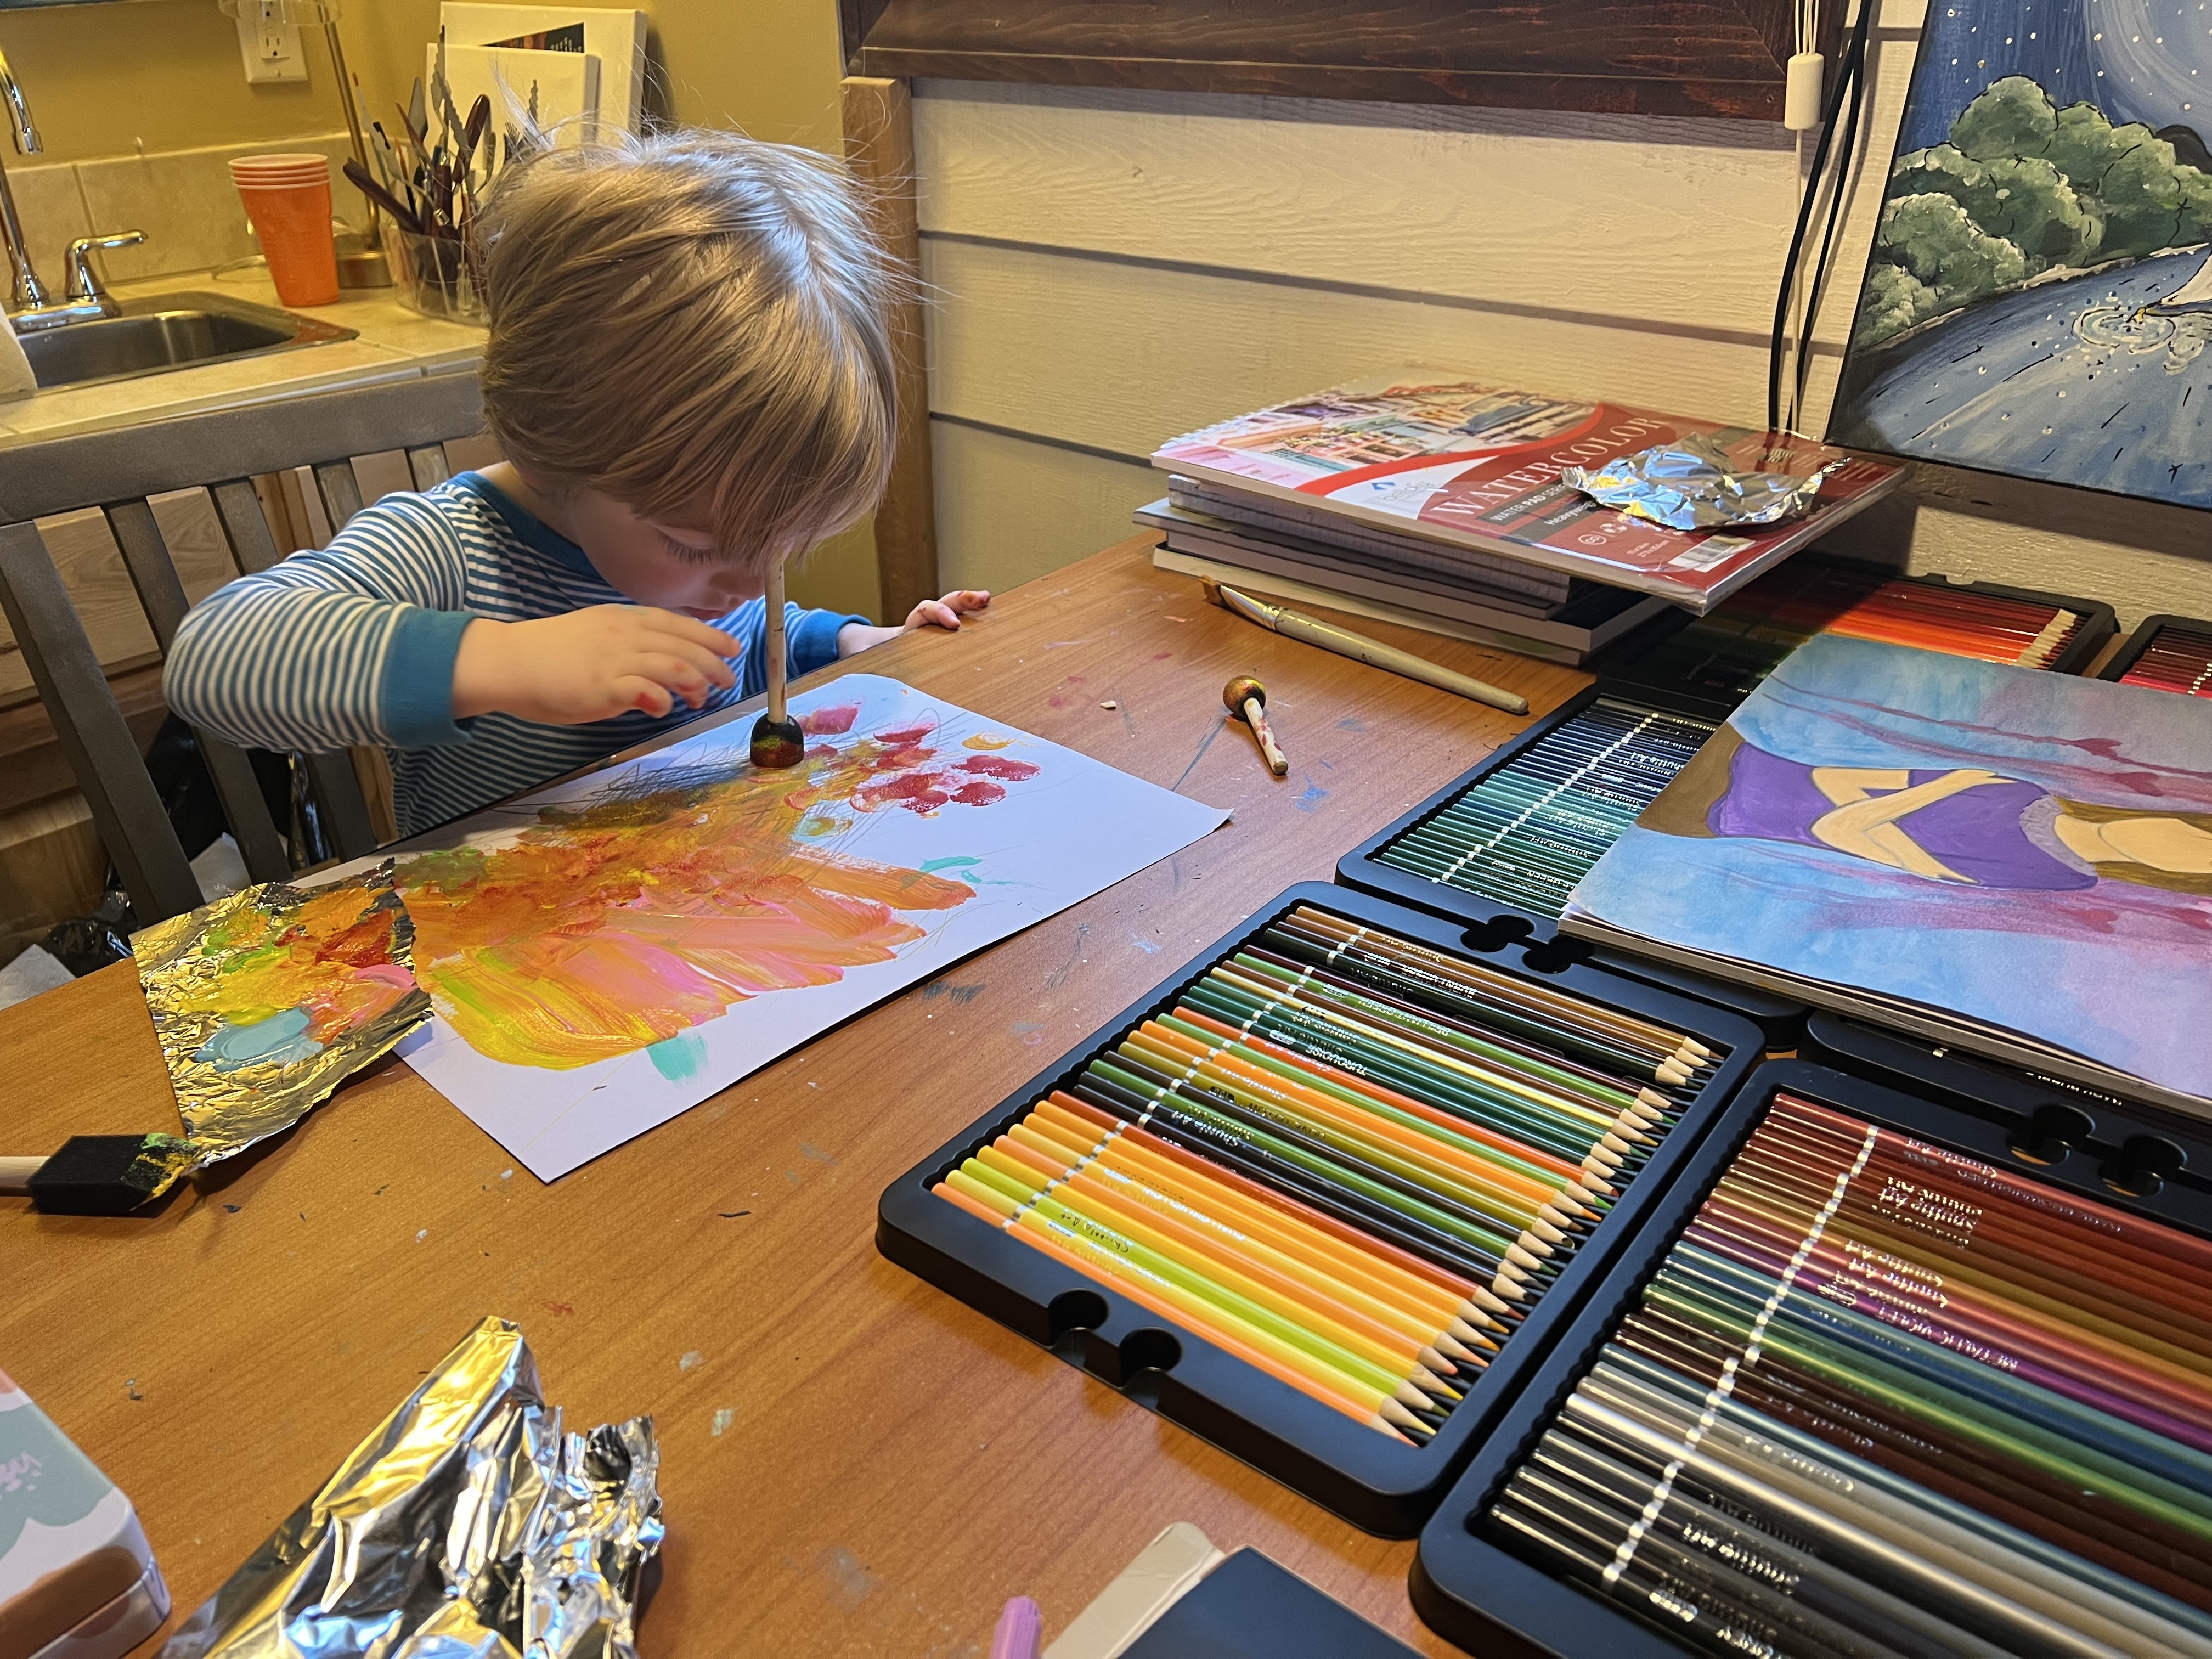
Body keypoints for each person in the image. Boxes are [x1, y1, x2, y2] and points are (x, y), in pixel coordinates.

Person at [166, 128, 987, 839]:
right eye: (694, 544)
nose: (748, 581)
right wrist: (503, 660)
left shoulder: (714, 562)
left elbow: (746, 640)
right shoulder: (448, 551)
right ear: (544, 448)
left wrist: (843, 646)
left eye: (777, 548)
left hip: (688, 896)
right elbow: (215, 657)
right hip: (497, 932)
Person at [1647, 727, 2212, 893]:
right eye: (2197, 834)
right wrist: (1887, 812)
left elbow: (1835, 828)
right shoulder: (2027, 793)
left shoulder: (2054, 873)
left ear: (2170, 875)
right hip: (1737, 753)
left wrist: (1943, 790)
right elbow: (1844, 781)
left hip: (1715, 811)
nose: (2176, 842)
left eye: (2196, 859)